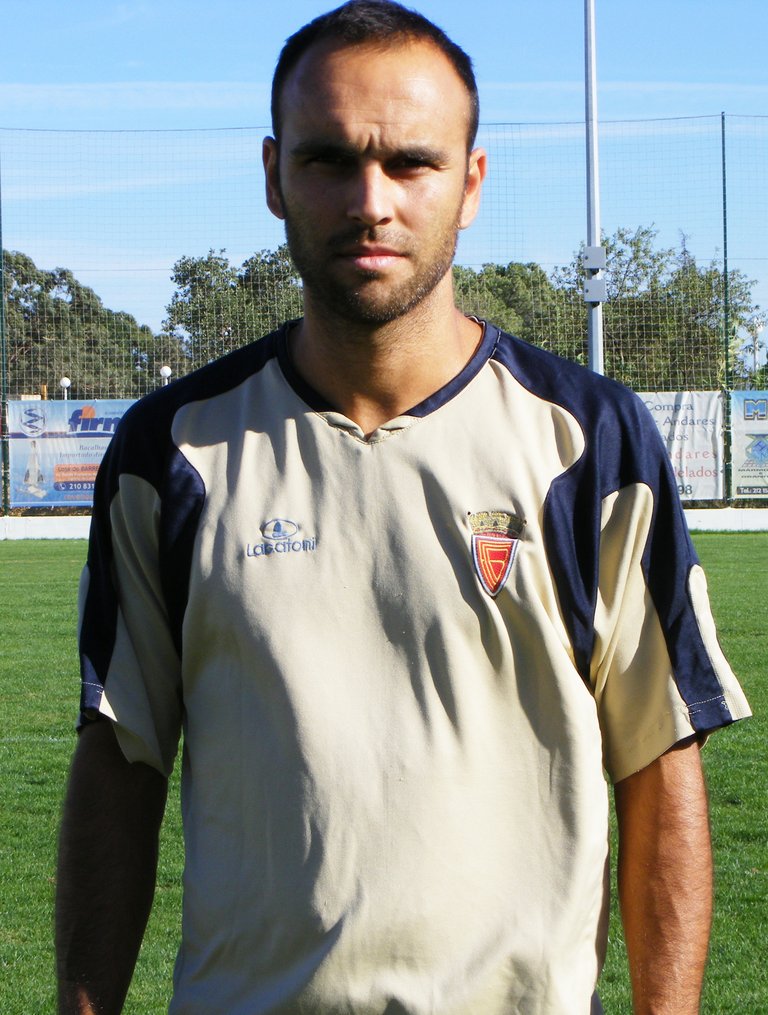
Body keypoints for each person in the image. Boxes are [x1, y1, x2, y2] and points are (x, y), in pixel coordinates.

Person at [55, 2, 751, 1013]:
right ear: (273, 176)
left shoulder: (592, 441)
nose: (369, 201)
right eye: (329, 160)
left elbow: (659, 758)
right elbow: (121, 764)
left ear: (471, 183)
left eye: (412, 163)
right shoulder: (170, 450)